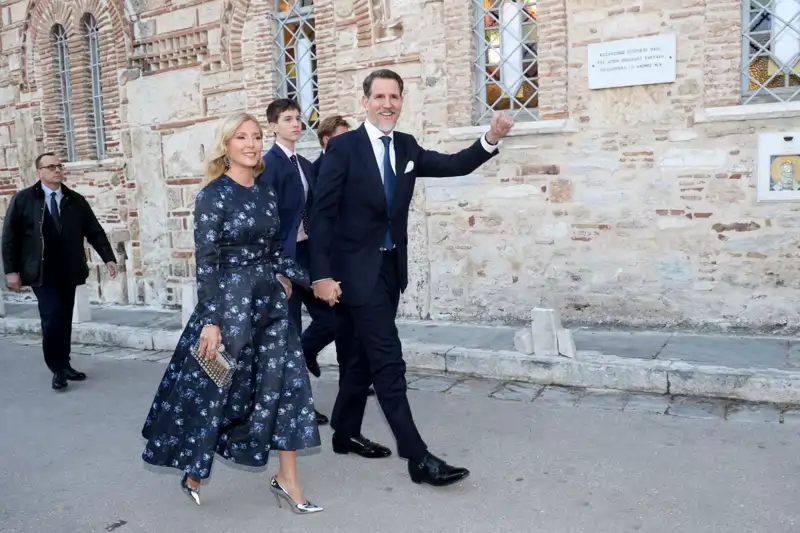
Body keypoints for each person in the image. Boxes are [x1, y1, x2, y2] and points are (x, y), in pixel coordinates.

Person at [309, 69, 513, 486]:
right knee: (388, 360)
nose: (387, 103)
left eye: (394, 97)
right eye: (379, 96)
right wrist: (321, 276)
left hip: (389, 269)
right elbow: (321, 216)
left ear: (402, 101)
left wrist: (490, 138)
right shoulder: (343, 148)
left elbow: (454, 164)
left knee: (362, 356)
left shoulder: (405, 146)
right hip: (353, 274)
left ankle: (345, 433)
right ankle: (418, 458)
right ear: (365, 101)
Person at [141, 112, 322, 515]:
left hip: (271, 302)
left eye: (256, 136)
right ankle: (193, 465)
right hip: (229, 304)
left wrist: (309, 280)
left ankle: (289, 479)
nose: (251, 143)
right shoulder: (212, 196)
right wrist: (210, 320)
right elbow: (206, 263)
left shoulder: (265, 192)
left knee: (288, 383)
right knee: (218, 387)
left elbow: (276, 250)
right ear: (227, 145)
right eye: (241, 137)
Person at [1, 152, 117, 391]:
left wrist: (108, 258)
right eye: (51, 166)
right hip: (41, 271)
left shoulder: (75, 200)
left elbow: (94, 231)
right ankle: (57, 369)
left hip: (69, 269)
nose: (57, 170)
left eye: (59, 166)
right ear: (40, 172)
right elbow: (9, 238)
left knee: (64, 318)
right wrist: (11, 271)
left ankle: (64, 364)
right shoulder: (24, 199)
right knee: (52, 316)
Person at [260, 98, 330, 425]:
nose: (296, 124)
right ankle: (296, 405)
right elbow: (266, 220)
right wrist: (276, 270)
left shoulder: (304, 162)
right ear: (273, 125)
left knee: (331, 318)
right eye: (288, 119)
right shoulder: (268, 165)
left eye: (299, 118)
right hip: (284, 260)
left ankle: (297, 363)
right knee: (289, 330)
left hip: (308, 254)